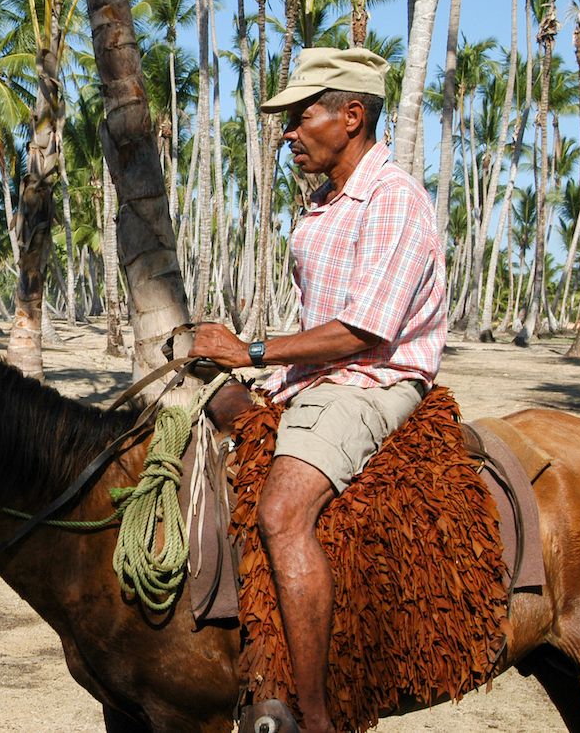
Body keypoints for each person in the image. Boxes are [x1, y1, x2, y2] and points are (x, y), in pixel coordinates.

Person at [188, 47, 446, 733]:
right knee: (199, 409)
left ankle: (316, 710)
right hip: (310, 376)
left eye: (301, 118)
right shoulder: (325, 202)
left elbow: (362, 329)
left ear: (351, 115)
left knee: (282, 510)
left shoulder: (395, 200)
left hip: (371, 380)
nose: (288, 134)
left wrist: (251, 349)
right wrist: (237, 364)